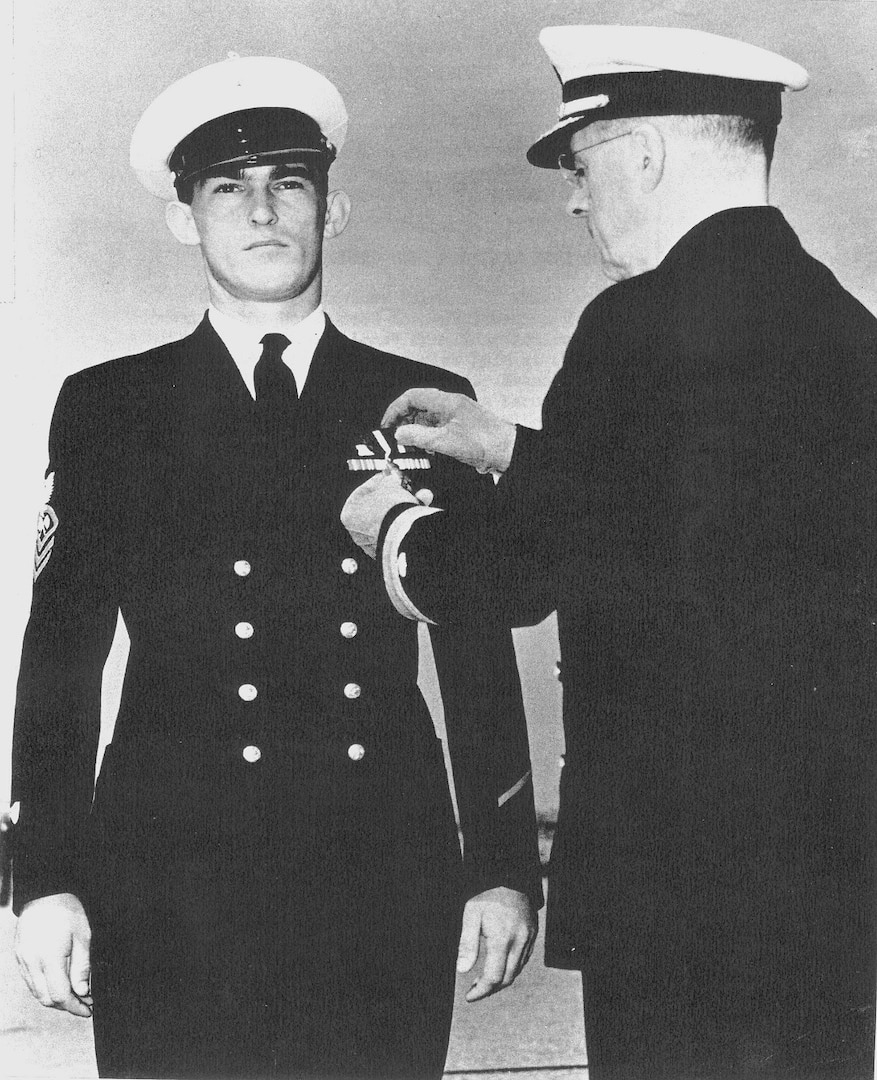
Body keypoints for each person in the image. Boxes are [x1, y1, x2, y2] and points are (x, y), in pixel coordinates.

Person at [342, 24, 877, 1080]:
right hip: (822, 887)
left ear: (645, 154)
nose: (578, 200)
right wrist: (506, 445)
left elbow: (519, 573)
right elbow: (690, 517)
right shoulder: (841, 331)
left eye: (581, 168)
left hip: (674, 894)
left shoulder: (632, 326)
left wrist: (390, 527)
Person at [9, 55, 541, 1080]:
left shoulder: (423, 404)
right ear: (185, 218)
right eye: (228, 188)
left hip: (378, 869)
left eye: (289, 182)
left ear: (332, 212)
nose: (262, 209)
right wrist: (47, 880)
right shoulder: (112, 408)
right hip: (171, 875)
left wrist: (504, 869)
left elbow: (475, 652)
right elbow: (61, 659)